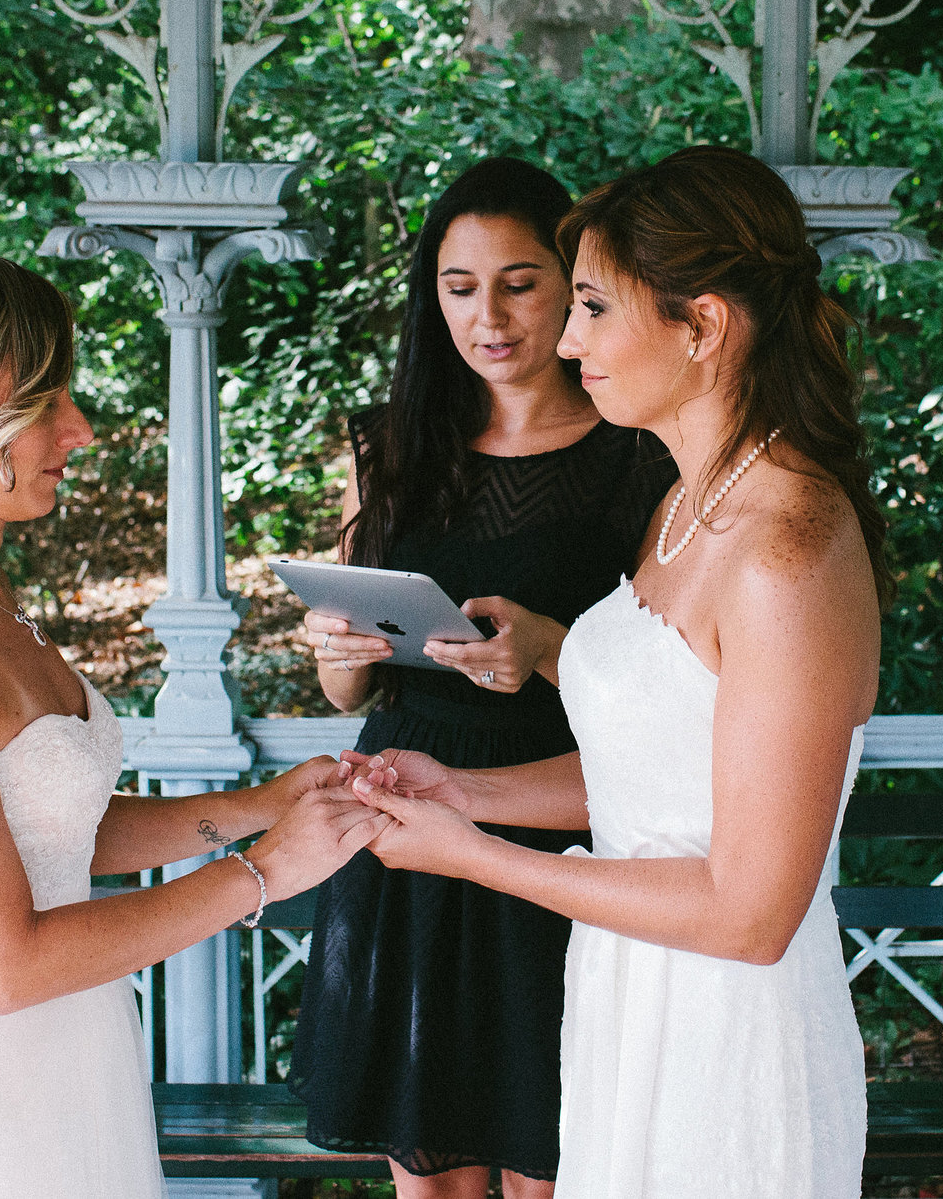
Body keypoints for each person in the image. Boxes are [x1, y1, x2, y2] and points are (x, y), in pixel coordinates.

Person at [0, 241, 379, 1199]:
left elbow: (56, 835)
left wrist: (266, 801)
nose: (80, 428)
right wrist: (263, 874)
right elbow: (4, 962)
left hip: (66, 1064)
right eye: (46, 399)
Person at [344, 147, 890, 1199]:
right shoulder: (688, 508)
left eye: (592, 304)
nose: (569, 334)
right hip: (623, 996)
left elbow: (751, 908)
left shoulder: (790, 545)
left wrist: (475, 854)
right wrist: (465, 791)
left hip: (727, 1031)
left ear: (702, 324)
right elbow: (661, 777)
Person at [290, 157, 677, 1198]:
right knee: (432, 1172)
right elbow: (349, 697)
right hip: (407, 815)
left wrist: (549, 646)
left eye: (521, 281)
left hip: (562, 811)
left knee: (553, 1160)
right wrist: (338, 659)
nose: (488, 315)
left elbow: (671, 680)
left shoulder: (640, 454)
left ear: (574, 287)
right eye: (459, 287)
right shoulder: (393, 444)